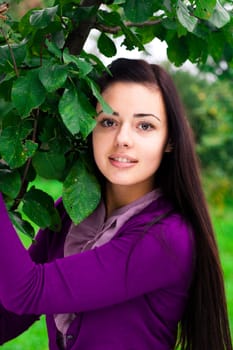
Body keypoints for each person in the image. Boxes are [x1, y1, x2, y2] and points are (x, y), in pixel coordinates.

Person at [0, 58, 232, 350]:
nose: (123, 139)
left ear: (169, 140)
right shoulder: (71, 212)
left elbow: (26, 291)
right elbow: (9, 316)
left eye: (145, 126)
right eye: (108, 122)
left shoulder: (167, 238)